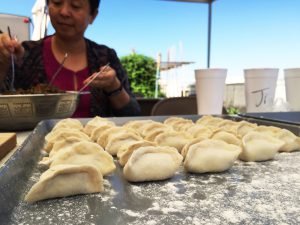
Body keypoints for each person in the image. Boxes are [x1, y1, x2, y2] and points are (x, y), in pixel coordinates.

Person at [0, 0, 140, 117]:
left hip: (95, 148)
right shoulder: (25, 53)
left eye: (76, 6)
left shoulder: (105, 56)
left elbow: (133, 115)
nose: (64, 12)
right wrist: (3, 64)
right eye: (57, 2)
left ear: (93, 15)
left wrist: (113, 86)